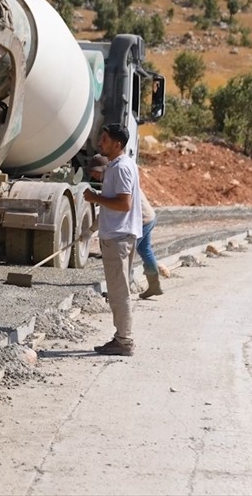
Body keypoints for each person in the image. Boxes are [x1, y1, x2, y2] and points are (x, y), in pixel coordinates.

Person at [82, 124, 143, 357]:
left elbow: (124, 204)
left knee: (118, 292)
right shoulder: (120, 166)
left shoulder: (120, 168)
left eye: (105, 139)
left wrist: (94, 197)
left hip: (118, 238)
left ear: (117, 144)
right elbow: (115, 204)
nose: (100, 143)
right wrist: (92, 229)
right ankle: (122, 338)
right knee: (119, 289)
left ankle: (123, 341)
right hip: (120, 235)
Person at [90, 154, 168, 300]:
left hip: (142, 220)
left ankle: (120, 291)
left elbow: (106, 211)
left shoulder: (112, 180)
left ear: (103, 170)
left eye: (95, 172)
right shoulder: (113, 178)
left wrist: (90, 231)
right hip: (148, 217)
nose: (93, 175)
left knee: (123, 256)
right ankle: (154, 285)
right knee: (144, 249)